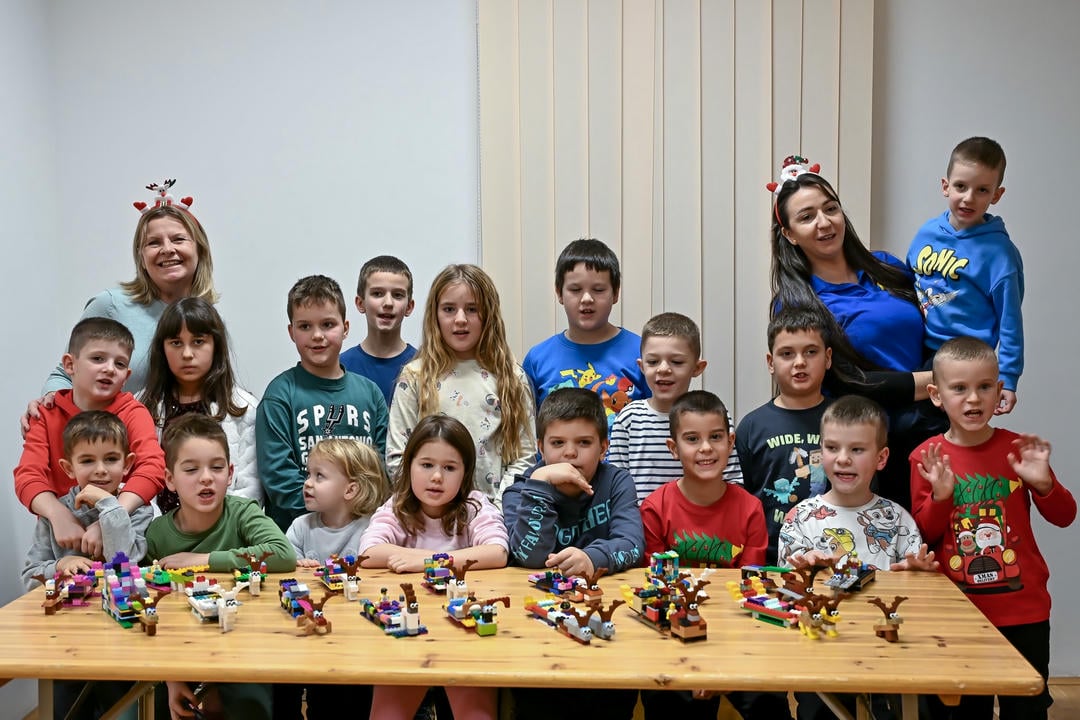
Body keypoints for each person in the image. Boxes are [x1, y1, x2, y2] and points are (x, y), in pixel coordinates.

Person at [911, 337, 1075, 720]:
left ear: (999, 391)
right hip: (960, 614)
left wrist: (1044, 484)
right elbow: (923, 535)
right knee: (967, 710)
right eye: (959, 388)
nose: (973, 398)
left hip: (1024, 609)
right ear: (936, 395)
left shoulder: (1019, 449)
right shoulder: (926, 457)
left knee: (1027, 707)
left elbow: (1065, 515)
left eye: (984, 386)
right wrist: (942, 496)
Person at [770, 159, 942, 509]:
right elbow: (845, 379)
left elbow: (937, 326)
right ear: (789, 234)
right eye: (807, 217)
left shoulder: (887, 267)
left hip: (932, 429)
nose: (824, 222)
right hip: (865, 447)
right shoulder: (795, 302)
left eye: (830, 209)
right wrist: (938, 382)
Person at [779, 395, 939, 720]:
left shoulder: (897, 519)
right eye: (832, 448)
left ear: (881, 458)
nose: (843, 459)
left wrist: (918, 574)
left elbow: (918, 597)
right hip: (821, 650)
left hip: (887, 653)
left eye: (856, 449)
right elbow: (785, 591)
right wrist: (804, 568)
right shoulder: (801, 518)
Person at [23, 181, 218, 433]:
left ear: (200, 249)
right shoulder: (110, 305)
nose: (167, 249)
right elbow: (64, 375)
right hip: (113, 447)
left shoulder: (207, 315)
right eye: (154, 242)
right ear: (141, 257)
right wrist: (47, 409)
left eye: (178, 239)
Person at [502, 387, 643, 720]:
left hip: (606, 628)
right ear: (540, 448)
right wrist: (540, 483)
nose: (569, 454)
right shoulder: (520, 491)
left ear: (604, 447)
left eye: (583, 442)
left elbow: (633, 544)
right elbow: (529, 557)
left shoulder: (617, 482)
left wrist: (592, 558)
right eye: (557, 443)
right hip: (538, 634)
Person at [146, 414, 295, 720]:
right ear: (170, 479)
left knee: (250, 702)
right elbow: (150, 610)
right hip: (179, 652)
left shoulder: (242, 512)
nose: (206, 478)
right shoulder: (157, 534)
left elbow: (283, 553)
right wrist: (171, 676)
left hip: (244, 646)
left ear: (230, 474)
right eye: (191, 469)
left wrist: (204, 559)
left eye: (216, 467)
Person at [358, 415, 507, 720]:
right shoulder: (398, 507)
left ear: (465, 473)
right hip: (406, 633)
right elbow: (369, 553)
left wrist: (428, 561)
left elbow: (497, 552)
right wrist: (433, 559)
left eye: (449, 468)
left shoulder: (475, 506)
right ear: (409, 466)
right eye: (426, 465)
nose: (437, 477)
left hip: (466, 634)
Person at [639, 391, 776, 720]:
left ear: (730, 442)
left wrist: (722, 661)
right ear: (673, 448)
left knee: (767, 700)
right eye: (692, 439)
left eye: (715, 437)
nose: (705, 448)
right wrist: (697, 662)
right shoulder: (655, 508)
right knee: (670, 698)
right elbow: (657, 589)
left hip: (737, 633)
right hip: (674, 634)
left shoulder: (750, 508)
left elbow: (751, 588)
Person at [20, 411, 151, 720]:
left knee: (121, 708)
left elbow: (126, 562)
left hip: (122, 638)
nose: (101, 470)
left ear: (128, 463)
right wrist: (60, 564)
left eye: (111, 459)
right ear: (68, 467)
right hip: (66, 641)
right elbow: (29, 577)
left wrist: (109, 506)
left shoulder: (140, 511)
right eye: (88, 461)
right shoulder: (55, 514)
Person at [14, 317, 164, 560]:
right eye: (98, 358)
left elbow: (153, 468)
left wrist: (111, 519)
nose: (109, 368)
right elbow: (28, 475)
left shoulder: (134, 412)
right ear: (70, 364)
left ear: (126, 375)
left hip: (123, 535)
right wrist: (58, 515)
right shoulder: (45, 414)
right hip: (62, 536)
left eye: (119, 363)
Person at [386, 264, 535, 504]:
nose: (461, 319)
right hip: (428, 514)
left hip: (494, 513)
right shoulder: (415, 376)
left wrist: (497, 511)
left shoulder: (511, 377)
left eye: (472, 309)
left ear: (489, 314)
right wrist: (429, 510)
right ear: (435, 314)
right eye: (449, 309)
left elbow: (524, 458)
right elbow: (398, 456)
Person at [257, 274, 389, 530]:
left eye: (328, 324)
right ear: (291, 332)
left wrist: (351, 514)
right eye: (305, 326)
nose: (317, 335)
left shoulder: (370, 394)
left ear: (346, 328)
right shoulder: (280, 395)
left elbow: (382, 469)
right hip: (298, 535)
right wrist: (331, 512)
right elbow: (278, 477)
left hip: (362, 531)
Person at [907, 137, 1024, 414]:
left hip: (966, 360)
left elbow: (1010, 321)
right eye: (961, 186)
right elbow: (908, 280)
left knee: (932, 428)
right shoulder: (927, 233)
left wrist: (1008, 378)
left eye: (982, 190)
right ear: (945, 186)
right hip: (920, 348)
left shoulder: (1000, 254)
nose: (969, 198)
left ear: (996, 195)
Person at [277, 439, 386, 720]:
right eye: (308, 474)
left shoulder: (371, 529)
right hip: (311, 634)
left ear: (350, 490)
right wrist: (297, 565)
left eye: (319, 476)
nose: (307, 483)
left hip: (357, 638)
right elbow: (285, 568)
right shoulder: (301, 527)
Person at [140, 297, 261, 509]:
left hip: (226, 528)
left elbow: (250, 491)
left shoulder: (244, 408)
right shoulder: (142, 406)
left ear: (215, 345)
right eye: (176, 343)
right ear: (162, 348)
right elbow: (132, 480)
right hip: (155, 527)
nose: (187, 354)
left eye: (198, 342)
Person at [608, 312, 741, 504]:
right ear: (642, 366)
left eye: (676, 362)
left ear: (697, 368)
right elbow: (616, 489)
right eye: (653, 362)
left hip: (703, 521)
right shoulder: (629, 419)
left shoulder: (713, 415)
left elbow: (732, 482)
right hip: (641, 522)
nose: (663, 369)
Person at [736, 307, 835, 564]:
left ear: (827, 358)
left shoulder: (845, 421)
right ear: (771, 362)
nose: (799, 362)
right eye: (787, 354)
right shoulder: (752, 427)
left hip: (835, 553)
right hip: (769, 557)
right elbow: (739, 499)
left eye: (810, 352)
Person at [521, 238, 649, 434]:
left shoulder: (642, 353)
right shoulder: (538, 359)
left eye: (598, 290)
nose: (587, 299)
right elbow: (527, 433)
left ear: (615, 293)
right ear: (559, 293)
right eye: (575, 290)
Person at [340, 255, 417, 406]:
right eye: (377, 294)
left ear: (409, 307)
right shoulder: (340, 366)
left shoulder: (423, 366)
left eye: (397, 295)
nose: (388, 303)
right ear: (360, 303)